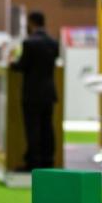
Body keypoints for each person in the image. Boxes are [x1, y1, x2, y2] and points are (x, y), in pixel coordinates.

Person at [11, 11, 60, 172]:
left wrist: (12, 63)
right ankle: (48, 160)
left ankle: (33, 161)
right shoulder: (53, 42)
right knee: (47, 127)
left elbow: (22, 65)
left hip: (32, 93)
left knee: (32, 128)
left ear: (31, 23)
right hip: (48, 92)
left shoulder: (29, 43)